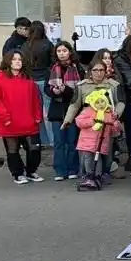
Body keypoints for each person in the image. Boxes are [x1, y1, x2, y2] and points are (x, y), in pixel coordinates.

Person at [0, 51, 44, 185]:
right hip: (9, 123)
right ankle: (18, 174)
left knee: (34, 149)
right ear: (8, 61)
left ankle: (31, 171)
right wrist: (5, 118)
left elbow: (36, 100)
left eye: (20, 59)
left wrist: (37, 116)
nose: (18, 61)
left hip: (29, 122)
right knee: (12, 150)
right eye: (14, 59)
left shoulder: (28, 79)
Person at [63, 59, 125, 174]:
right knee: (87, 153)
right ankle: (88, 176)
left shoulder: (113, 85)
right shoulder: (82, 86)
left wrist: (117, 113)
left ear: (105, 71)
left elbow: (120, 102)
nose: (98, 73)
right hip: (89, 126)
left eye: (101, 70)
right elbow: (74, 105)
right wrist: (67, 120)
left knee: (107, 153)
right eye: (95, 70)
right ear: (90, 71)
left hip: (107, 124)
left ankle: (105, 173)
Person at [45, 40, 85, 181]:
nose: (62, 54)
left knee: (72, 141)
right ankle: (60, 170)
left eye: (64, 51)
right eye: (59, 51)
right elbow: (46, 89)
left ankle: (73, 168)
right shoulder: (52, 68)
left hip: (73, 109)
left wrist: (65, 90)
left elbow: (80, 91)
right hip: (57, 110)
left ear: (70, 52)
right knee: (59, 142)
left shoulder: (77, 68)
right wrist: (54, 91)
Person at [75, 89, 121, 190]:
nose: (100, 104)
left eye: (102, 101)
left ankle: (97, 176)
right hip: (87, 141)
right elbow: (79, 121)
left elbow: (115, 129)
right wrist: (92, 121)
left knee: (98, 159)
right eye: (97, 102)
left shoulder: (108, 113)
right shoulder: (88, 111)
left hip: (100, 142)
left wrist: (116, 123)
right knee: (88, 158)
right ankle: (88, 175)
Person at [21, 21, 55, 147]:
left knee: (36, 112)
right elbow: (53, 62)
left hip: (30, 81)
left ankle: (42, 139)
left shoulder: (25, 46)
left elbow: (23, 64)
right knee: (49, 112)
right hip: (45, 79)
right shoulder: (47, 44)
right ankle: (52, 140)